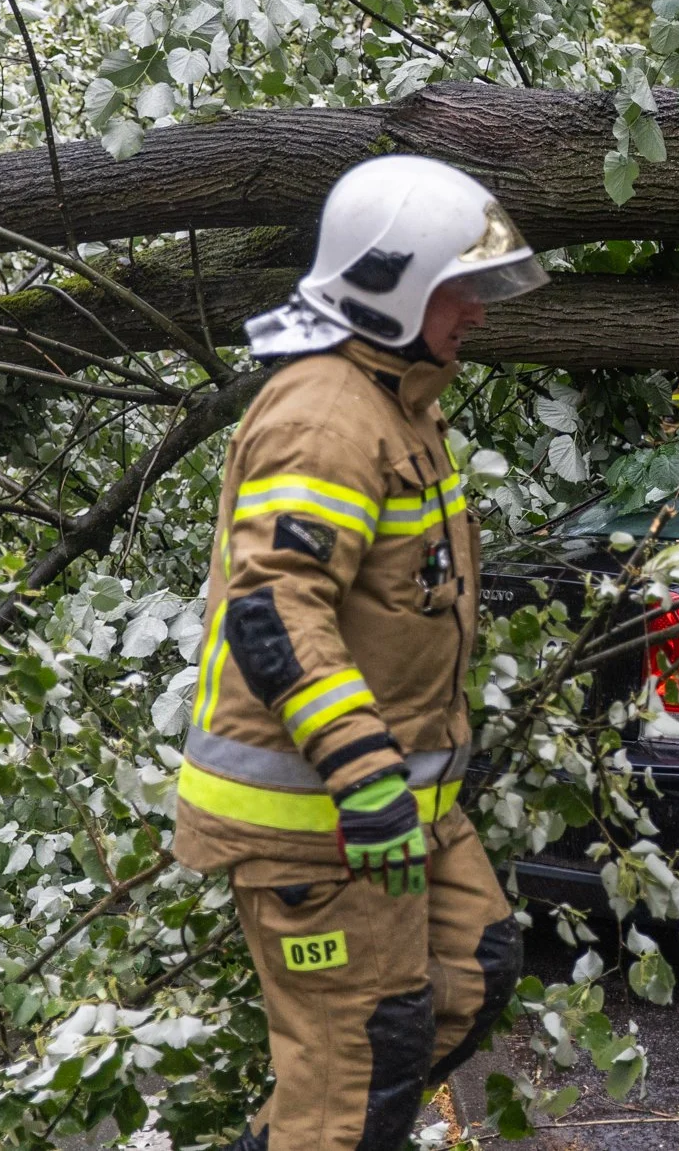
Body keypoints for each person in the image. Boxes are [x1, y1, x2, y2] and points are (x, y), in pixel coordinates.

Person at [174, 154, 547, 1151]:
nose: (475, 308)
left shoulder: (397, 402)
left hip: (395, 806)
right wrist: (364, 769)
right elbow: (272, 605)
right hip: (322, 815)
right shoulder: (326, 412)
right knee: (360, 1079)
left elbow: (397, 582)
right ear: (390, 288)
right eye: (455, 285)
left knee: (475, 968)